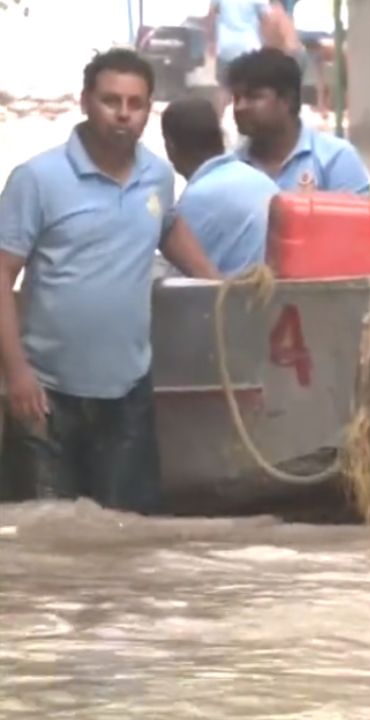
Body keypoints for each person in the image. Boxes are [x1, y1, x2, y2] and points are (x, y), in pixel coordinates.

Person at [0, 49, 216, 514]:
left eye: (135, 104)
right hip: (46, 397)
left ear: (148, 110)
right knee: (42, 535)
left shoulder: (157, 176)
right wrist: (17, 374)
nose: (122, 114)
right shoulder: (37, 179)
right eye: (110, 100)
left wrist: (219, 285)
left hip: (128, 395)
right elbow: (2, 274)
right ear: (84, 102)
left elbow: (167, 226)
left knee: (127, 538)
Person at [227, 47, 370, 196]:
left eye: (253, 97)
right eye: (236, 98)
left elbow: (355, 218)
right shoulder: (230, 168)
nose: (240, 107)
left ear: (287, 100)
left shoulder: (335, 159)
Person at [162, 97, 280, 276]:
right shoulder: (258, 178)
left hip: (239, 299)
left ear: (170, 146)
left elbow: (178, 277)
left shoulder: (197, 198)